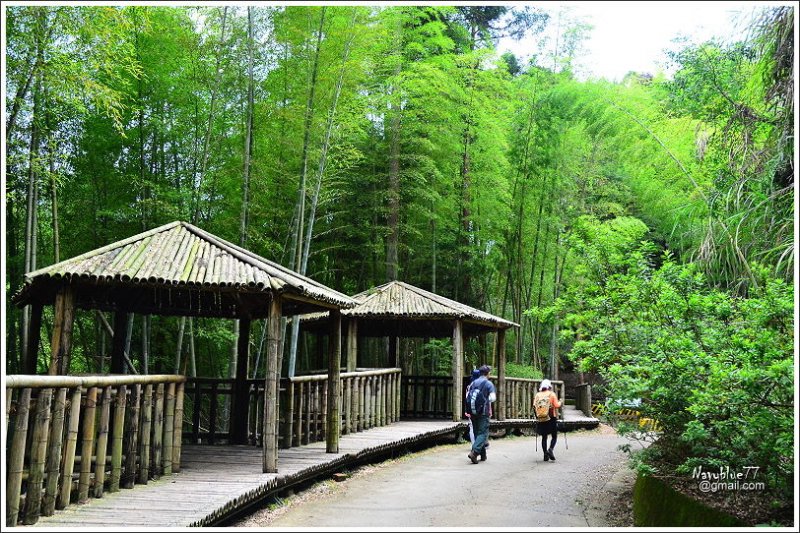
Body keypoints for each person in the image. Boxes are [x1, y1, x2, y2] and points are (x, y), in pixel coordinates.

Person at [466, 365, 496, 464]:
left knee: (476, 432)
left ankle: (483, 455)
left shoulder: (473, 382)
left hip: (473, 411)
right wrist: (485, 400)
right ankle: (474, 452)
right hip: (483, 412)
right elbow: (493, 398)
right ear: (488, 373)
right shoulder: (488, 383)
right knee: (483, 433)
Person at [534, 379, 561, 461]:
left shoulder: (538, 395)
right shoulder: (551, 394)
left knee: (544, 437)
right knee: (554, 436)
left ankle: (545, 454)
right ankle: (551, 449)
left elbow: (534, 405)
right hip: (551, 417)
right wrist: (560, 402)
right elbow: (556, 405)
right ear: (549, 386)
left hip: (541, 418)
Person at [464, 369, 481, 444]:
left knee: (472, 426)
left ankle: (473, 444)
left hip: (470, 408)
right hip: (479, 408)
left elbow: (467, 397)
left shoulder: (469, 386)